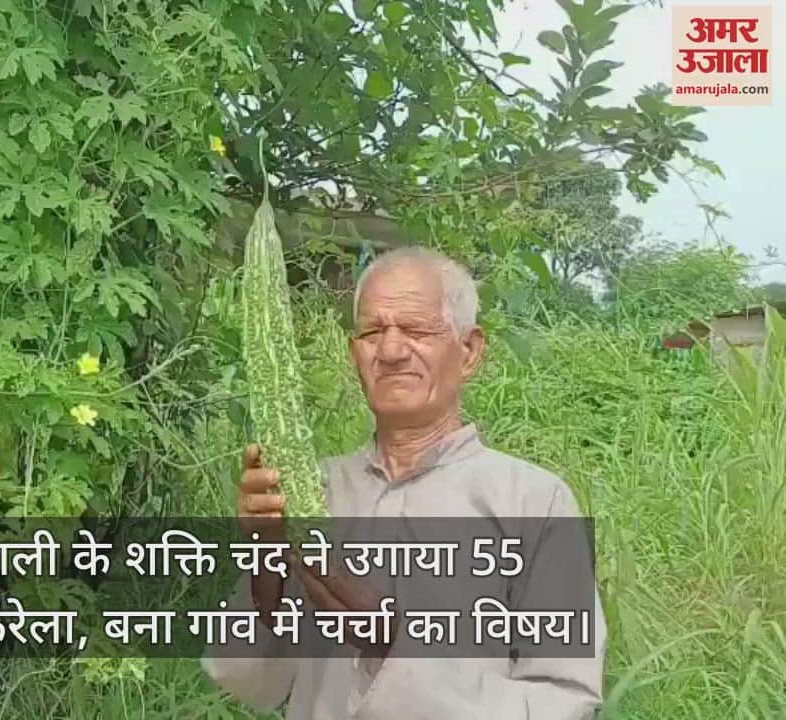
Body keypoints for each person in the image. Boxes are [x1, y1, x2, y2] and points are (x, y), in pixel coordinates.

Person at [201, 247, 606, 719]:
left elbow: (566, 701)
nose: (391, 351)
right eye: (373, 332)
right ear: (354, 355)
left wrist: (393, 647)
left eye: (416, 330)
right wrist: (265, 561)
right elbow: (251, 682)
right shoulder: (313, 490)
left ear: (469, 350)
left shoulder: (534, 502)